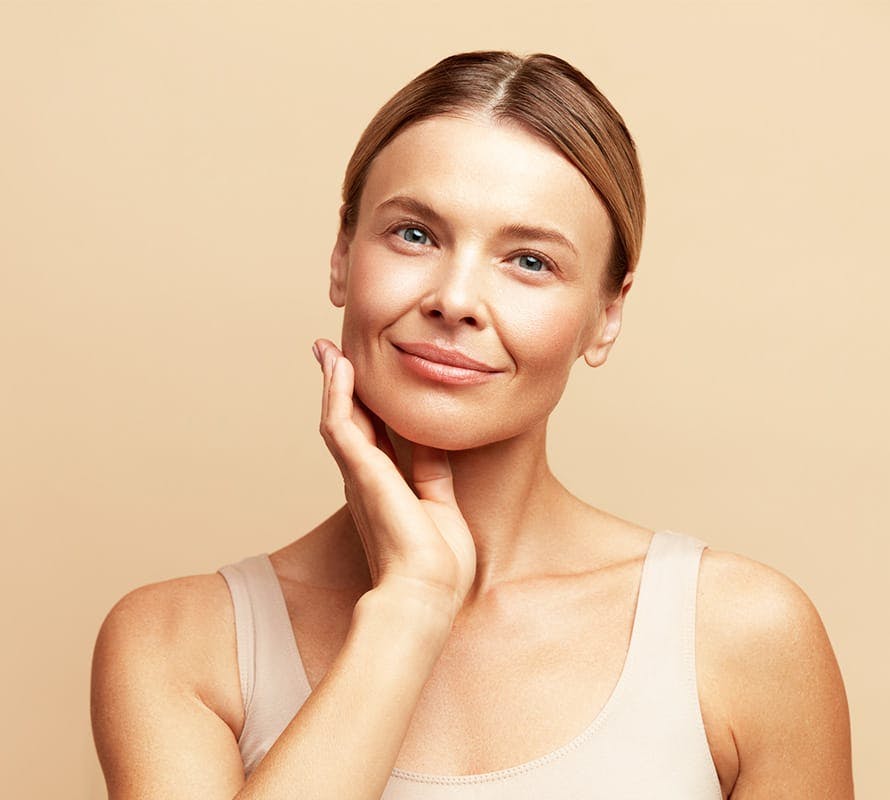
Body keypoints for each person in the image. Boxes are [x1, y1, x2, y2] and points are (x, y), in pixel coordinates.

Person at [90, 51, 854, 799]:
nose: (455, 299)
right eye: (415, 235)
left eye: (529, 261)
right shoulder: (177, 644)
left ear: (606, 315)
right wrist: (411, 606)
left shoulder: (741, 635)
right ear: (341, 255)